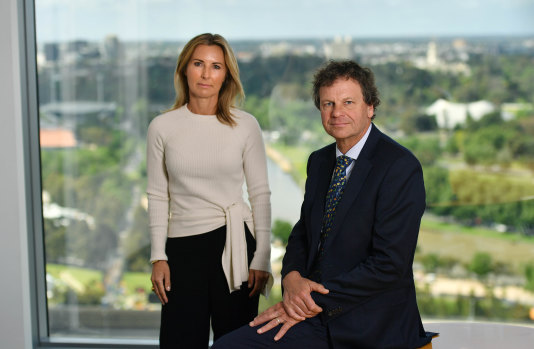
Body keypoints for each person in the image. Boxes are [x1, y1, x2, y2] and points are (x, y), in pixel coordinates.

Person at [213, 60, 436, 349]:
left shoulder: (399, 166)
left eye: (348, 102)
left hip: (369, 322)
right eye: (327, 103)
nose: (337, 112)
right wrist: (292, 278)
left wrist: (306, 302)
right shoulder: (319, 161)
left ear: (370, 107)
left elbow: (389, 264)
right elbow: (304, 232)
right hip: (313, 315)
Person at [146, 33, 273, 349]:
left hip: (235, 246)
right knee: (180, 341)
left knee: (237, 342)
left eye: (216, 66)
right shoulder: (162, 127)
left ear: (226, 74)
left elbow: (260, 194)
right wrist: (158, 256)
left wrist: (262, 257)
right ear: (184, 69)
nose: (206, 74)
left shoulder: (246, 125)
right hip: (182, 248)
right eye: (198, 64)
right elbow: (158, 195)